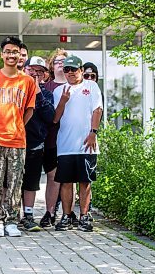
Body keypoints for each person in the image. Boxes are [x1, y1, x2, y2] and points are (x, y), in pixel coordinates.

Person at [0, 36, 37, 237]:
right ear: (1, 54)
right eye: (7, 51)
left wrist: (18, 126)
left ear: (20, 55)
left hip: (17, 139)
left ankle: (12, 220)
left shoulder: (27, 81)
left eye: (15, 52)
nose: (11, 55)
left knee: (15, 182)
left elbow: (29, 109)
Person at [53, 55, 103, 232]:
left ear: (81, 70)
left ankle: (84, 216)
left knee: (85, 181)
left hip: (86, 143)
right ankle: (67, 216)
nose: (70, 73)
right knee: (66, 183)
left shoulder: (91, 86)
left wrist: (93, 133)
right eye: (66, 69)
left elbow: (98, 109)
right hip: (65, 145)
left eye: (73, 69)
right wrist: (63, 101)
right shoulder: (59, 91)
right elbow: (55, 118)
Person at [20, 56, 55, 232]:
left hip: (35, 144)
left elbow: (50, 117)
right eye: (31, 70)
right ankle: (8, 214)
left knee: (31, 182)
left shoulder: (46, 94)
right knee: (9, 182)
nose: (35, 74)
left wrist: (38, 92)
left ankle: (28, 215)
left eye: (40, 72)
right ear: (24, 70)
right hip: (13, 143)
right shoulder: (16, 88)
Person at [39, 48, 68, 228]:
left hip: (69, 138)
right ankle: (49, 212)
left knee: (67, 179)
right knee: (52, 176)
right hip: (50, 138)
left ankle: (67, 213)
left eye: (65, 62)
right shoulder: (47, 87)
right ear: (52, 66)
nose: (62, 65)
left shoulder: (74, 86)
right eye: (58, 62)